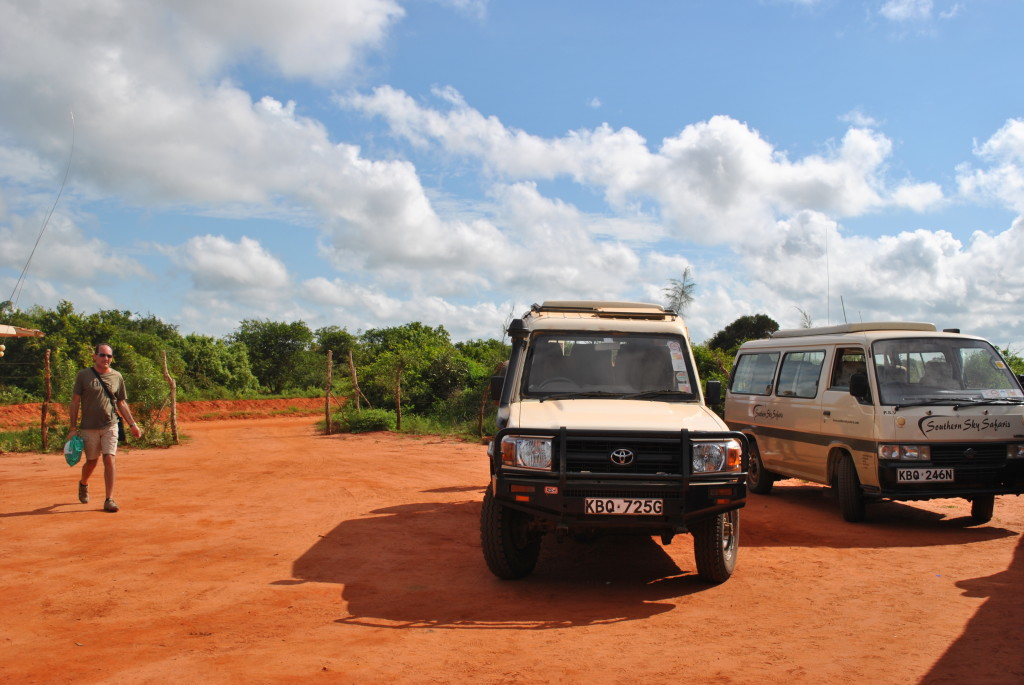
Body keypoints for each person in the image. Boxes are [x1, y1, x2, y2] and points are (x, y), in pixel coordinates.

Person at [67, 343, 143, 512]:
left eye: (109, 356)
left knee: (109, 458)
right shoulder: (83, 376)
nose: (106, 359)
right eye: (102, 355)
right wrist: (73, 428)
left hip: (110, 425)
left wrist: (133, 424)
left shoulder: (117, 376)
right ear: (95, 356)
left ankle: (109, 499)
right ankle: (83, 483)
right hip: (88, 427)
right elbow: (75, 402)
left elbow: (122, 402)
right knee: (91, 462)